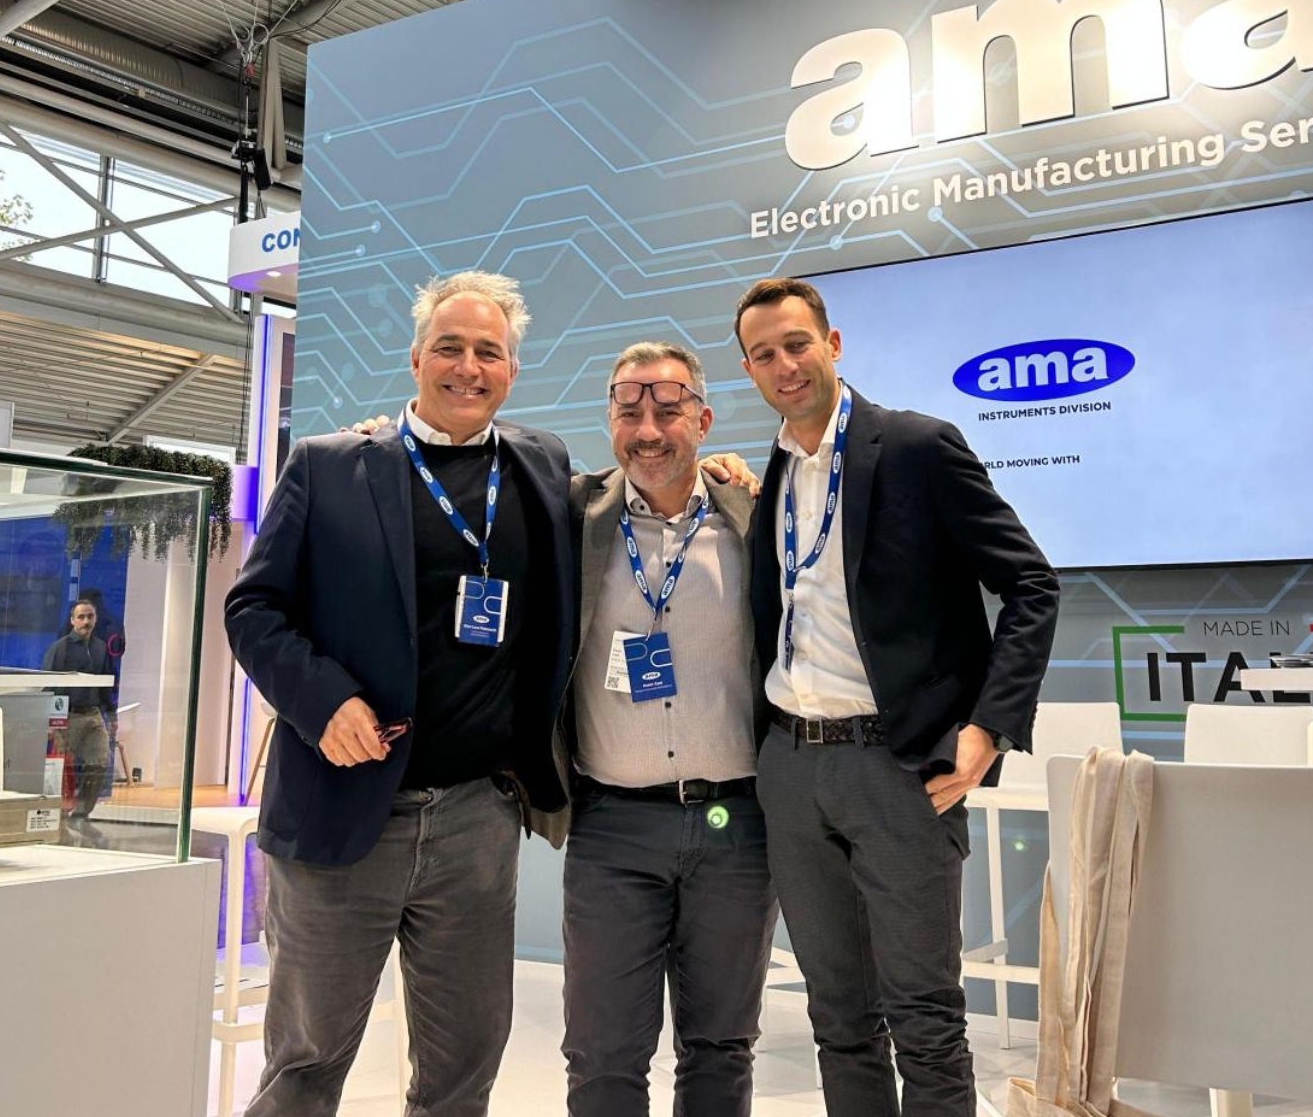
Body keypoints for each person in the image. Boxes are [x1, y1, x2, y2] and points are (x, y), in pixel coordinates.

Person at [225, 271, 576, 1117]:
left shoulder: (541, 465)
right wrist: (322, 702)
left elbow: (627, 504)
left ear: (512, 370)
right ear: (416, 359)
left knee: (463, 1071)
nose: (468, 367)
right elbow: (253, 608)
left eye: (488, 352)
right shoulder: (329, 465)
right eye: (449, 348)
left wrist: (721, 475)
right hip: (343, 812)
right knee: (306, 1065)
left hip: (476, 821)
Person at [734, 277, 1061, 1117]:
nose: (785, 365)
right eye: (764, 354)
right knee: (838, 1018)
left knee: (925, 1019)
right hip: (791, 769)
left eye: (797, 344)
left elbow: (1031, 586)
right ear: (749, 370)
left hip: (899, 767)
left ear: (833, 344)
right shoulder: (772, 473)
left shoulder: (916, 446)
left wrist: (988, 726)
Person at [560, 342, 776, 1116]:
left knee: (721, 1047)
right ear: (609, 421)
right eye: (629, 409)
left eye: (668, 408)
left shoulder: (751, 516)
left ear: (704, 421)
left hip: (735, 826)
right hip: (612, 829)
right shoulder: (572, 517)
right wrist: (377, 439)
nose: (648, 429)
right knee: (602, 1055)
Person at [41, 598, 116, 819]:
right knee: (63, 769)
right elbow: (49, 686)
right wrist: (52, 723)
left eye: (90, 616)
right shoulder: (60, 649)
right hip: (68, 716)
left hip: (93, 715)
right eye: (81, 617)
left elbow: (106, 685)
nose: (86, 621)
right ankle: (58, 815)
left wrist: (111, 715)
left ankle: (81, 813)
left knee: (99, 763)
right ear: (72, 620)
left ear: (96, 619)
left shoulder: (100, 648)